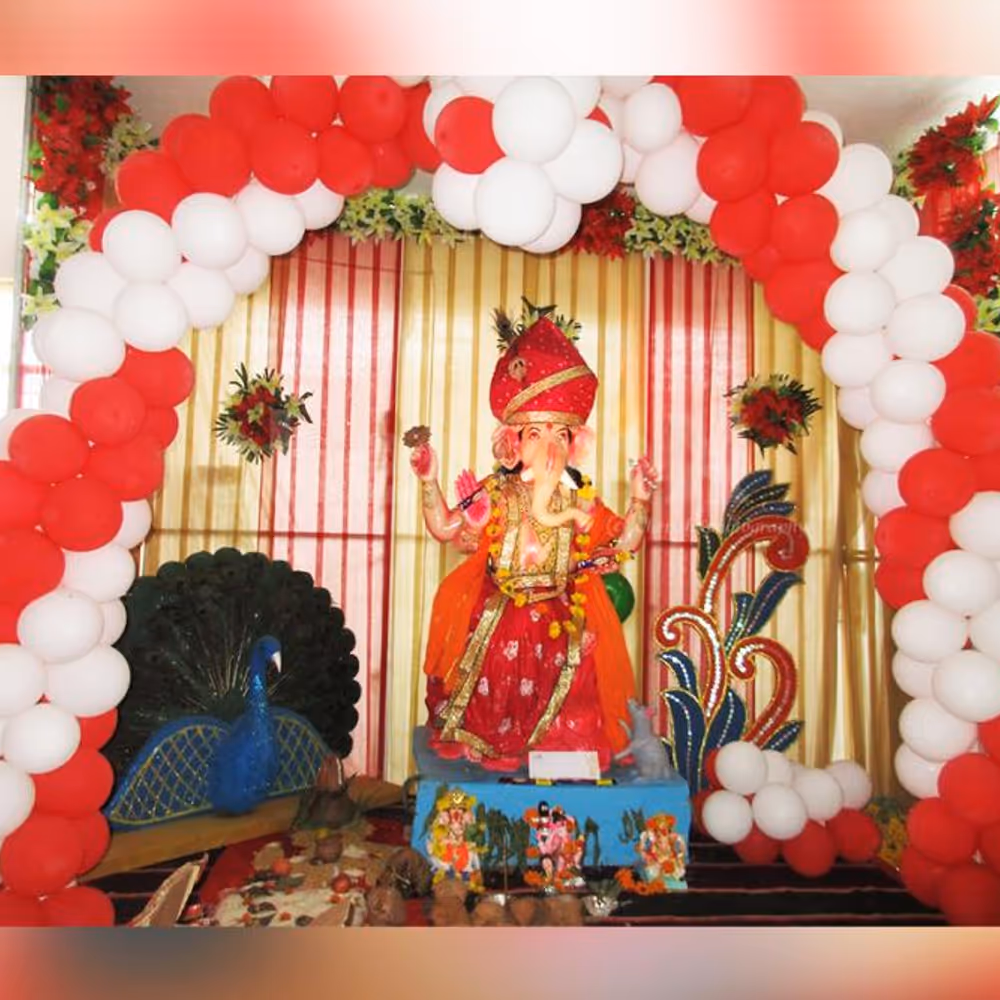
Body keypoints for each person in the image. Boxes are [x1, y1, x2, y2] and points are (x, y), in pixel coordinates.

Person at [409, 312, 659, 772]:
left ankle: (565, 751)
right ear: (513, 442)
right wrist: (430, 480)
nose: (549, 445)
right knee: (500, 636)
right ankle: (491, 743)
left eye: (560, 434)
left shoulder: (579, 498)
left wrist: (640, 497)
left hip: (560, 610)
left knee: (575, 646)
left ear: (575, 443)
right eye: (536, 433)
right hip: (501, 604)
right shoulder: (496, 490)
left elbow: (625, 540)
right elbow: (446, 528)